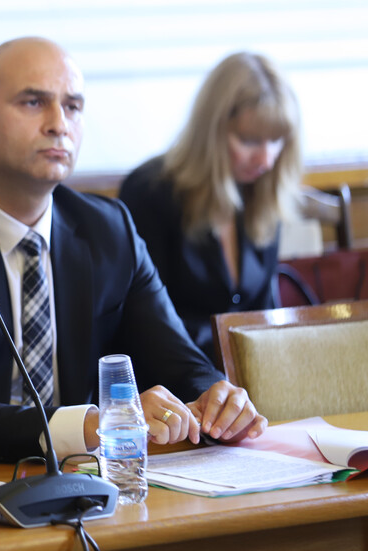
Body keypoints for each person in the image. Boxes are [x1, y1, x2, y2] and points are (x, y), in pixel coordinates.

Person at [0, 37, 265, 464]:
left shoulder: (109, 229)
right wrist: (92, 424)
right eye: (33, 102)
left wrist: (216, 397)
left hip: (89, 478)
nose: (59, 124)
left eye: (73, 106)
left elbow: (182, 364)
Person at [119, 52, 301, 367]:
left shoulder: (261, 190)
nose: (266, 159)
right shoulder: (149, 191)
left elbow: (264, 312)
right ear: (211, 132)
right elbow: (146, 324)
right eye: (249, 140)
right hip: (174, 381)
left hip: (247, 378)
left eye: (276, 140)